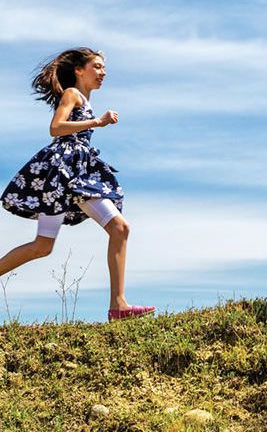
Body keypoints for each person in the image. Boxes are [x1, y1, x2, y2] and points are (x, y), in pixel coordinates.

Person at [0, 48, 155, 321]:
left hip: (76, 172)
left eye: (103, 68)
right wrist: (97, 122)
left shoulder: (86, 99)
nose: (102, 72)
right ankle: (118, 306)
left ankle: (118, 305)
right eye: (96, 66)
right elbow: (56, 127)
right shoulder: (72, 94)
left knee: (42, 246)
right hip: (66, 174)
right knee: (119, 228)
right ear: (79, 70)